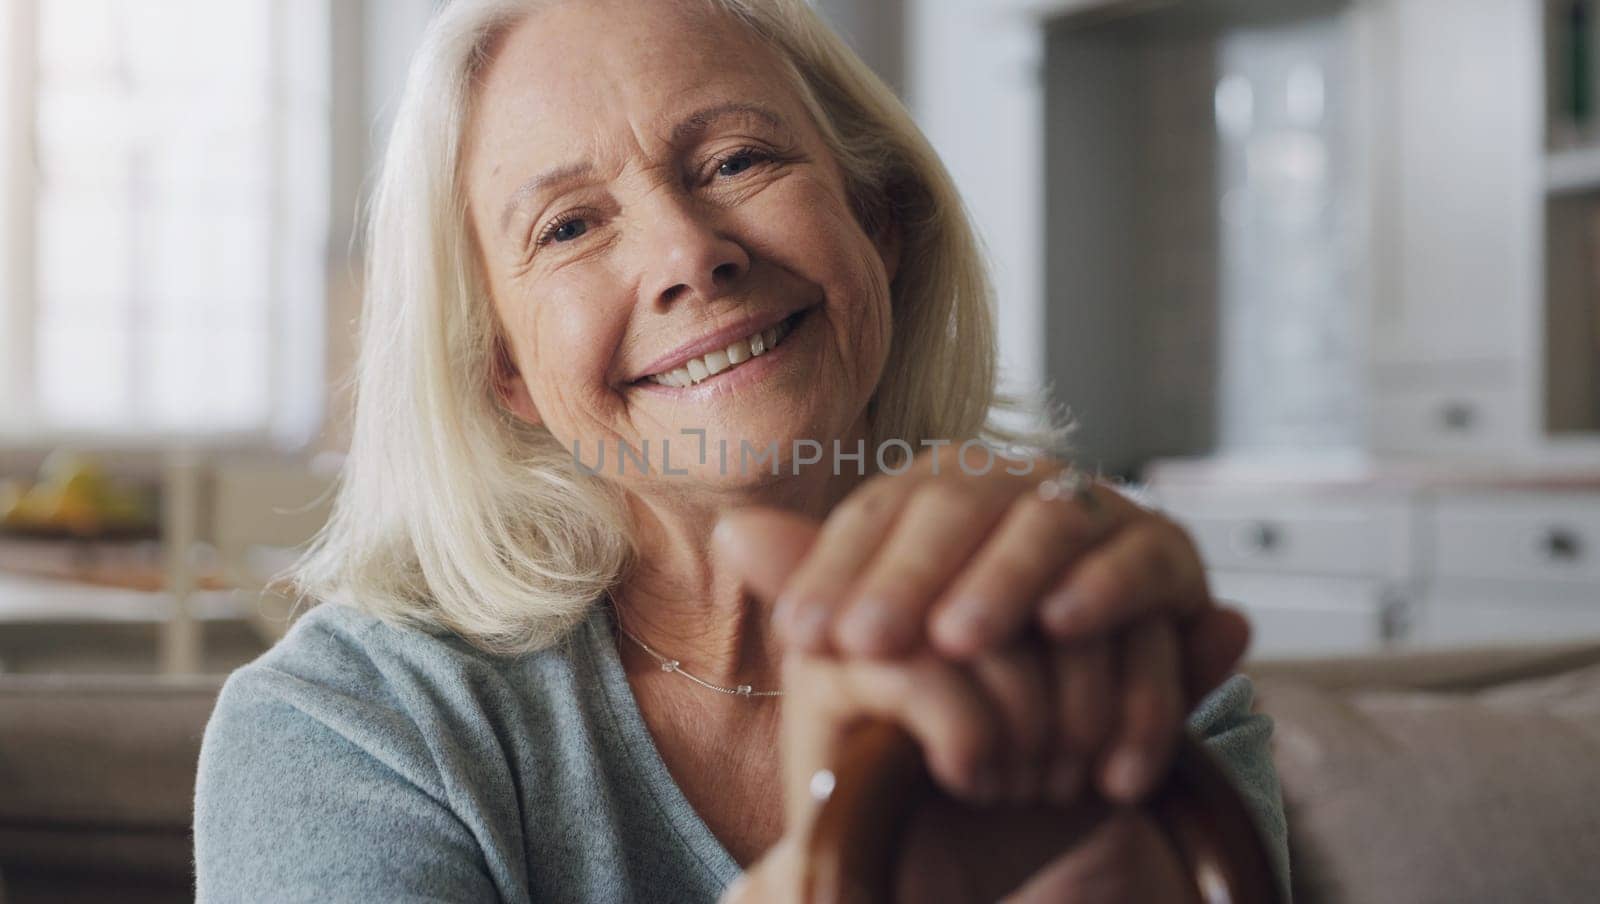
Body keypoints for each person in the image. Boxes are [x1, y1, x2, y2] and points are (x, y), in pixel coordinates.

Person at [193, 1, 1288, 901]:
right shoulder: (352, 725)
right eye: (568, 226)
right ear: (506, 370)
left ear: (880, 223)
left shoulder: (1109, 667)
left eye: (735, 159)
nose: (687, 253)